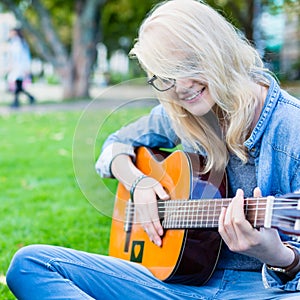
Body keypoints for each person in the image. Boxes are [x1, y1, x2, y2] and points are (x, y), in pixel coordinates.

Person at [6, 0, 300, 299]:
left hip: (261, 290)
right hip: (175, 284)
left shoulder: (292, 127)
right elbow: (114, 147)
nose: (179, 86)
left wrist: (277, 255)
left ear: (217, 50)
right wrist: (140, 182)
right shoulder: (184, 111)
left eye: (186, 66)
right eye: (163, 77)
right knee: (31, 264)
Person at [7, 28, 35, 108]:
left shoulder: (19, 43)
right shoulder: (15, 43)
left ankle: (16, 102)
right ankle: (29, 98)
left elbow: (21, 57)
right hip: (18, 67)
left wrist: (26, 67)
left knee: (17, 84)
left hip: (19, 67)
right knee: (18, 85)